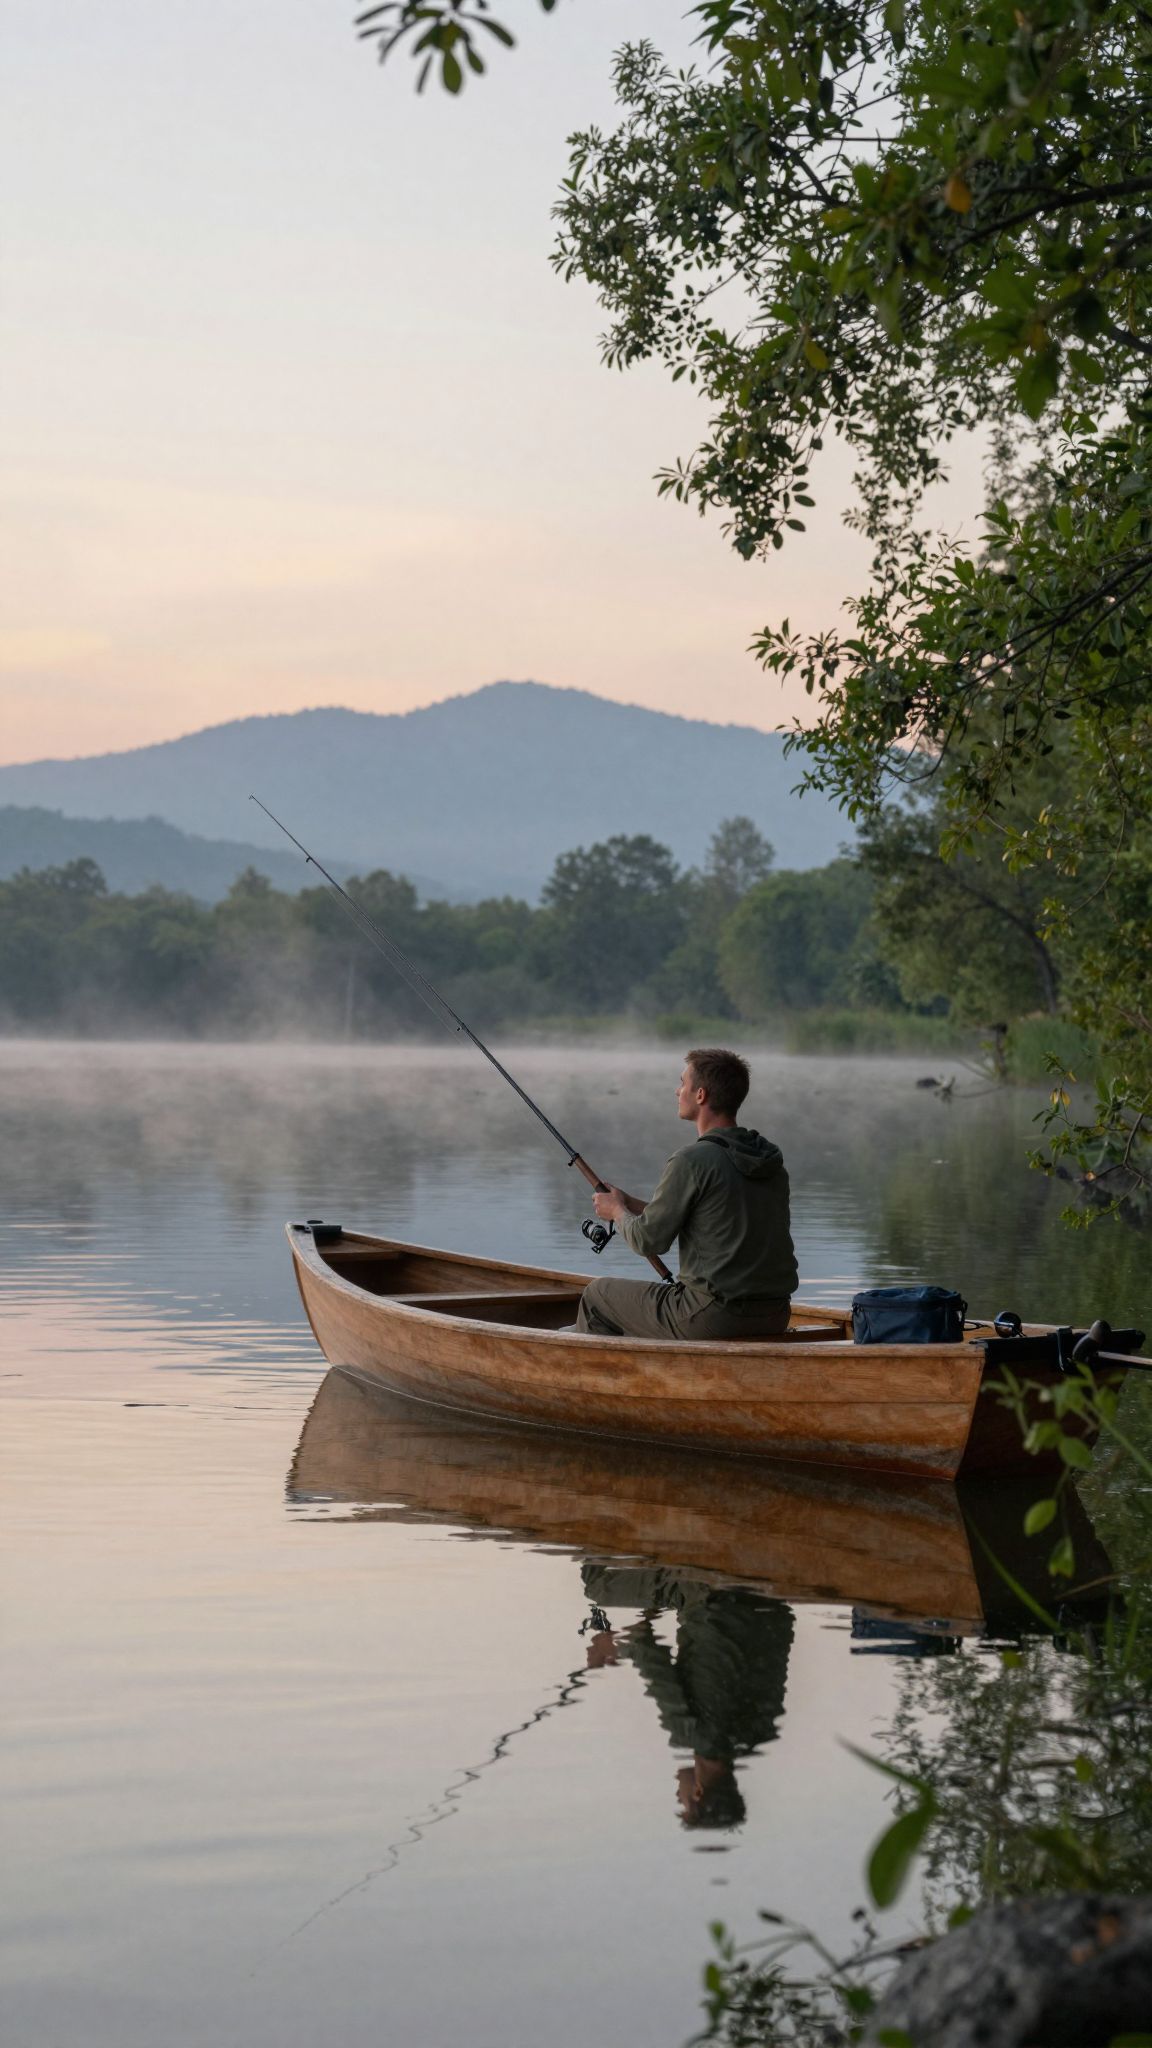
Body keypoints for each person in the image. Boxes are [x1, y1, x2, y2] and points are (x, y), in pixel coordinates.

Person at [575, 1047, 798, 1341]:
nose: (677, 1090)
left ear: (701, 1095)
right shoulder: (768, 1161)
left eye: (682, 1083)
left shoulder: (691, 1161)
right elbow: (705, 1218)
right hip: (775, 1314)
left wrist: (616, 1212)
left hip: (714, 1316)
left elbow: (648, 1240)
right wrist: (628, 1203)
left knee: (597, 1295)